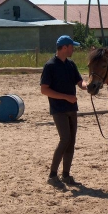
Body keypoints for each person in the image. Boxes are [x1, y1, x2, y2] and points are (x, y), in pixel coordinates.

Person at [40, 35, 88, 188]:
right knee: (65, 139)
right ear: (65, 47)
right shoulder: (50, 66)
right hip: (58, 109)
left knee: (71, 141)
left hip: (71, 109)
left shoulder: (71, 64)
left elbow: (80, 82)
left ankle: (66, 175)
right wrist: (66, 97)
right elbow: (44, 90)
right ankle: (52, 174)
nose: (73, 49)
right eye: (72, 46)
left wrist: (88, 85)